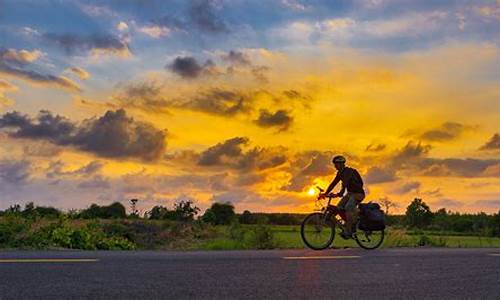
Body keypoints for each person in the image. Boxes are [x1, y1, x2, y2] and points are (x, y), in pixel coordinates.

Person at [318, 155, 365, 239]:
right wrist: (326, 193)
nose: (335, 166)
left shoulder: (349, 172)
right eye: (334, 164)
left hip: (358, 194)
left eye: (336, 164)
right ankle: (348, 223)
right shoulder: (340, 173)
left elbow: (345, 184)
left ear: (342, 164)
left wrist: (339, 193)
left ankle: (349, 230)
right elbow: (333, 183)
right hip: (350, 193)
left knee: (348, 207)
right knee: (339, 208)